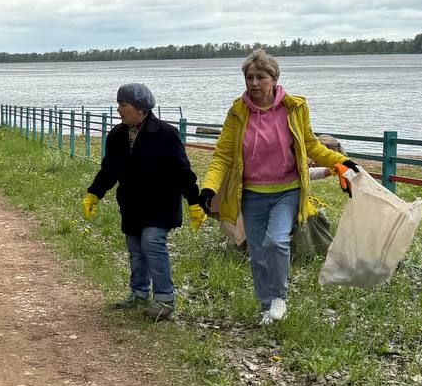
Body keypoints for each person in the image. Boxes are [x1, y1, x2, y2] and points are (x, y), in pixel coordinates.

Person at [198, 49, 356, 325]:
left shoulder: (293, 108)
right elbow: (222, 155)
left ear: (274, 78)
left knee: (276, 241)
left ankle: (279, 297)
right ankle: (265, 307)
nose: (254, 83)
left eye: (261, 77)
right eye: (249, 77)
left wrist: (342, 162)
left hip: (287, 190)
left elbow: (311, 145)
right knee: (257, 251)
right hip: (251, 194)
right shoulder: (237, 112)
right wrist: (209, 188)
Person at [81, 84, 201, 322]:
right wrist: (94, 193)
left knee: (152, 242)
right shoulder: (117, 135)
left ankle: (165, 299)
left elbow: (182, 170)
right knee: (136, 249)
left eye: (123, 105)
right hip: (132, 204)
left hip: (161, 203)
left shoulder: (166, 134)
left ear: (141, 108)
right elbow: (109, 170)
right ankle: (139, 293)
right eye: (119, 104)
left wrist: (194, 201)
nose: (118, 110)